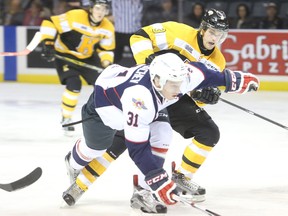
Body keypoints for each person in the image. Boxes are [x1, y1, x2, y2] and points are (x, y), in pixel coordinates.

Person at [67, 8, 231, 204]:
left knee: (209, 132)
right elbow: (139, 36)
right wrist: (149, 62)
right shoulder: (178, 31)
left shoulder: (218, 61)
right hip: (149, 88)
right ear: (203, 29)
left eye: (221, 35)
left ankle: (178, 179)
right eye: (213, 32)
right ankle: (82, 183)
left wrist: (204, 97)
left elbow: (195, 92)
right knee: (125, 138)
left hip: (174, 95)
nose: (215, 38)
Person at [62, 52, 259, 213]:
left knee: (163, 134)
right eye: (173, 85)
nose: (179, 89)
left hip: (148, 104)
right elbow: (137, 148)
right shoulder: (139, 98)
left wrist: (235, 80)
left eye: (181, 83)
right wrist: (158, 179)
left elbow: (206, 74)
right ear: (157, 81)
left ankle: (143, 192)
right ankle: (73, 161)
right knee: (95, 149)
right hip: (104, 109)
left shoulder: (177, 79)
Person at [39, 0, 115, 136]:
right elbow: (50, 22)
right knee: (74, 85)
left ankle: (104, 119)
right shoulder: (76, 16)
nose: (101, 12)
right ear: (91, 9)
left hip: (87, 57)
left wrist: (106, 63)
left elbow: (106, 48)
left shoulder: (108, 26)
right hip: (65, 55)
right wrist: (48, 42)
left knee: (103, 87)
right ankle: (66, 117)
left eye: (104, 9)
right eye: (98, 8)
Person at [111, 0, 143, 66]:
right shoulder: (117, 1)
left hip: (134, 31)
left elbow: (140, 14)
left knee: (138, 57)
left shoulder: (138, 2)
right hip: (119, 31)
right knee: (116, 57)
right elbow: (113, 15)